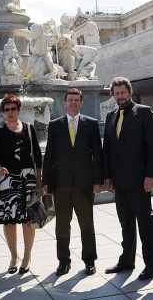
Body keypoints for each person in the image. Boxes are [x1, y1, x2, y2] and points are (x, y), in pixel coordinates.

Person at [102, 77, 153, 280]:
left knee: (145, 222)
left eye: (123, 92)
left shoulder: (144, 112)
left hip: (140, 180)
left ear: (130, 92)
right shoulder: (110, 116)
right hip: (119, 181)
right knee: (126, 223)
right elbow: (108, 149)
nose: (120, 96)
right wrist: (107, 176)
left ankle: (151, 263)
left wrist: (150, 175)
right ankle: (127, 260)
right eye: (117, 93)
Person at [43, 88, 103, 276]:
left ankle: (90, 261)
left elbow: (98, 154)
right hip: (61, 184)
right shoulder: (54, 125)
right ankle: (63, 261)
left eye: (77, 100)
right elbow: (49, 155)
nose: (73, 103)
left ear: (81, 102)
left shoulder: (91, 124)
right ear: (64, 102)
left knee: (87, 223)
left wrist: (98, 180)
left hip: (85, 183)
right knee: (62, 223)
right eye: (70, 100)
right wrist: (45, 181)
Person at [0, 94, 42, 274]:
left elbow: (37, 156)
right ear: (3, 112)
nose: (10, 112)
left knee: (28, 220)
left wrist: (39, 180)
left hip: (28, 179)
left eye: (13, 109)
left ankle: (27, 257)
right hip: (7, 181)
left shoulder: (28, 128)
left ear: (19, 110)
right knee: (9, 221)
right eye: (7, 109)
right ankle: (14, 256)